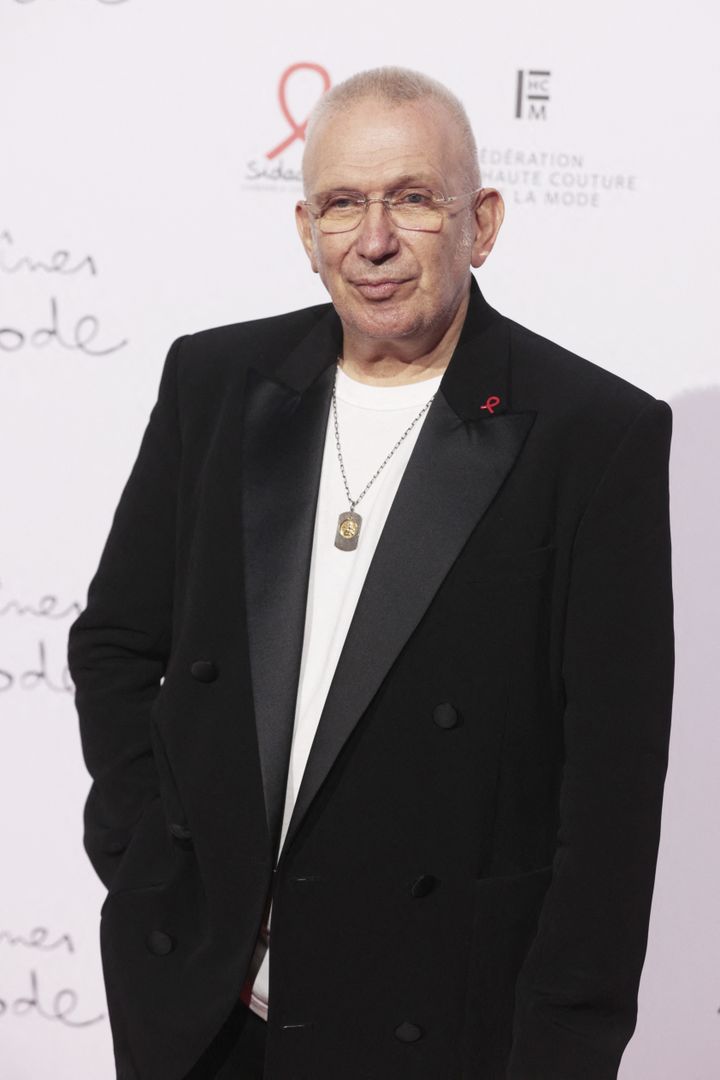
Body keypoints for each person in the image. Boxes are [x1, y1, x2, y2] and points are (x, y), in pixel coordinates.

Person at [68, 67, 674, 1080]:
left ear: (481, 221)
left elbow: (610, 796)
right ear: (307, 234)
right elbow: (118, 646)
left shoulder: (593, 438)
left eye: (413, 199)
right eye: (342, 204)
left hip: (438, 1025)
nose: (375, 239)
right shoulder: (214, 385)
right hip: (207, 1014)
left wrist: (565, 1049)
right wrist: (148, 859)